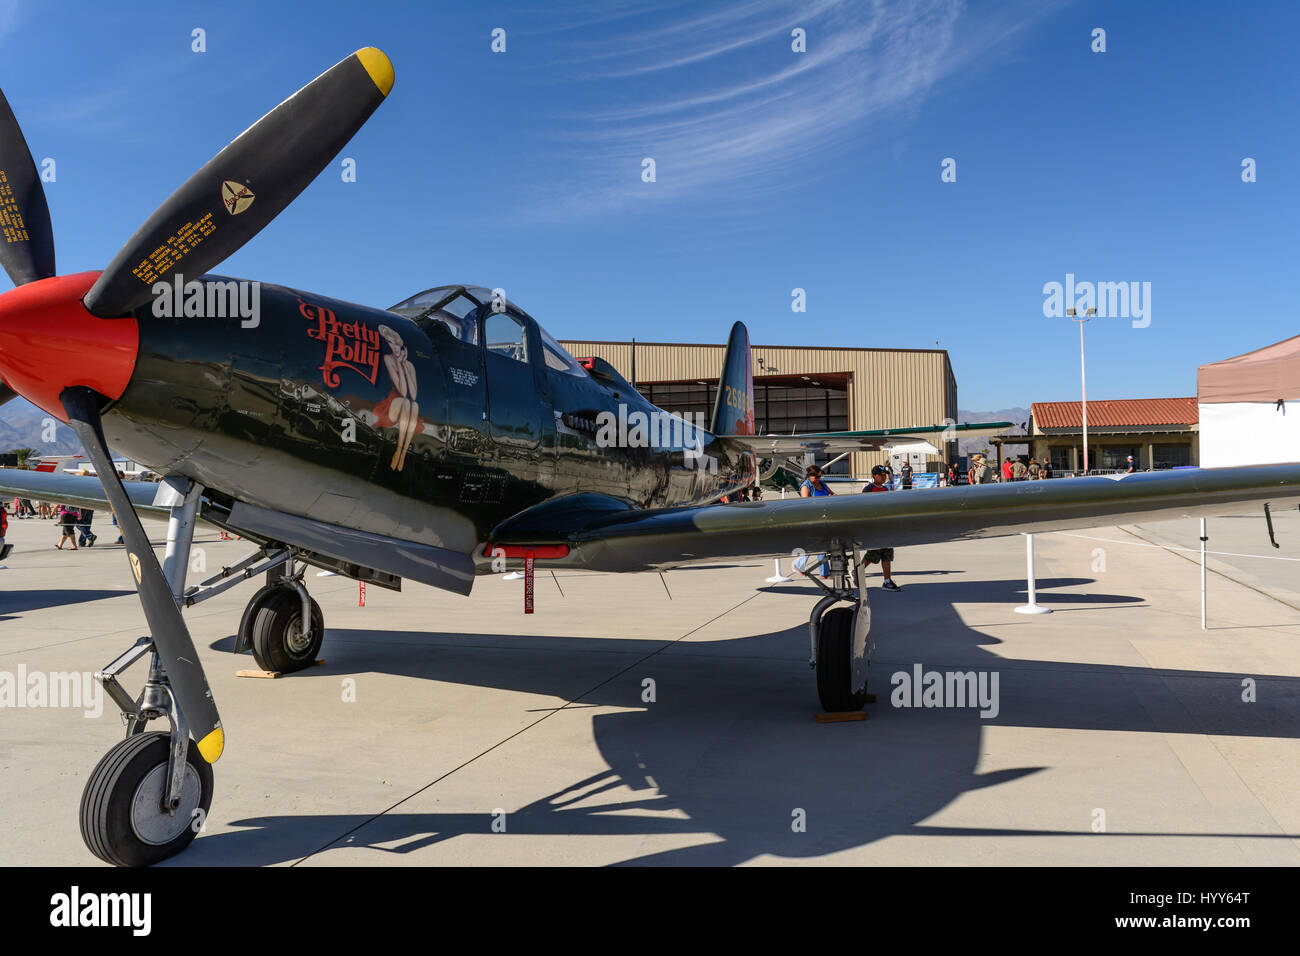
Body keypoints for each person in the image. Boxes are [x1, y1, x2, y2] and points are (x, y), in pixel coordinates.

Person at [861, 465, 901, 590]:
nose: (884, 477)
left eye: (885, 474)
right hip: (874, 528)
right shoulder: (868, 489)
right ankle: (858, 571)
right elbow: (864, 509)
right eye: (881, 475)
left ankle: (887, 581)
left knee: (887, 554)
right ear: (874, 476)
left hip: (885, 527)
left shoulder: (885, 489)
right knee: (873, 554)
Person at [796, 465, 834, 577]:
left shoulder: (822, 484)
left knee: (817, 545)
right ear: (809, 476)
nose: (819, 478)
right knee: (820, 545)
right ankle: (824, 573)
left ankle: (800, 565)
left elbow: (832, 494)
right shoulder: (806, 487)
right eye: (817, 476)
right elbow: (806, 506)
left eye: (820, 476)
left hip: (824, 518)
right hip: (813, 520)